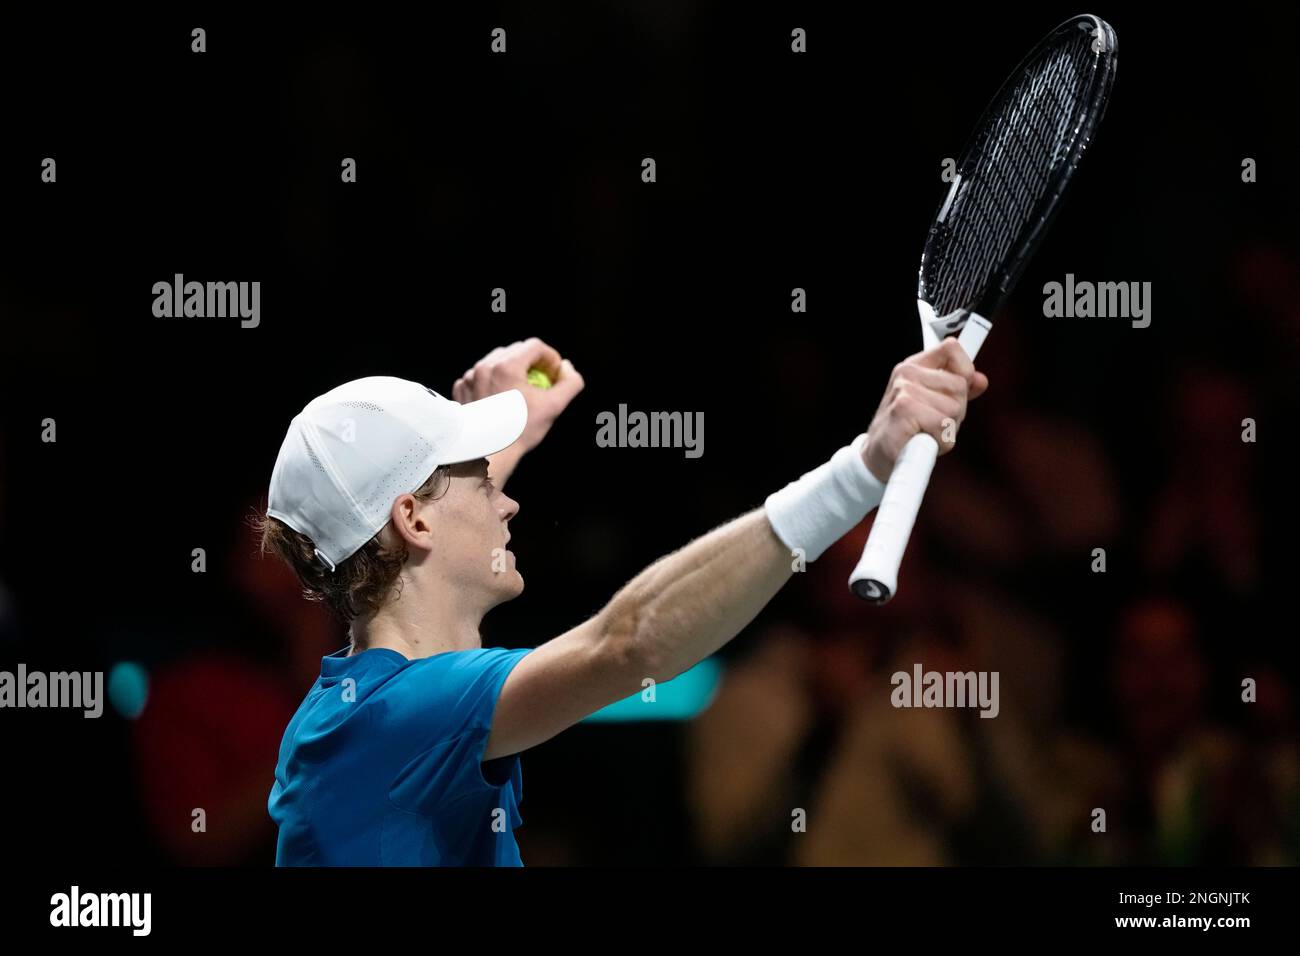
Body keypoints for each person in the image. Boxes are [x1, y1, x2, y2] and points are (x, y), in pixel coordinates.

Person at [261, 336, 987, 865]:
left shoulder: (354, 715)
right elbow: (629, 641)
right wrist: (863, 467)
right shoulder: (405, 714)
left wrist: (500, 430)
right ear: (412, 521)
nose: (508, 504)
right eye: (483, 482)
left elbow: (416, 545)